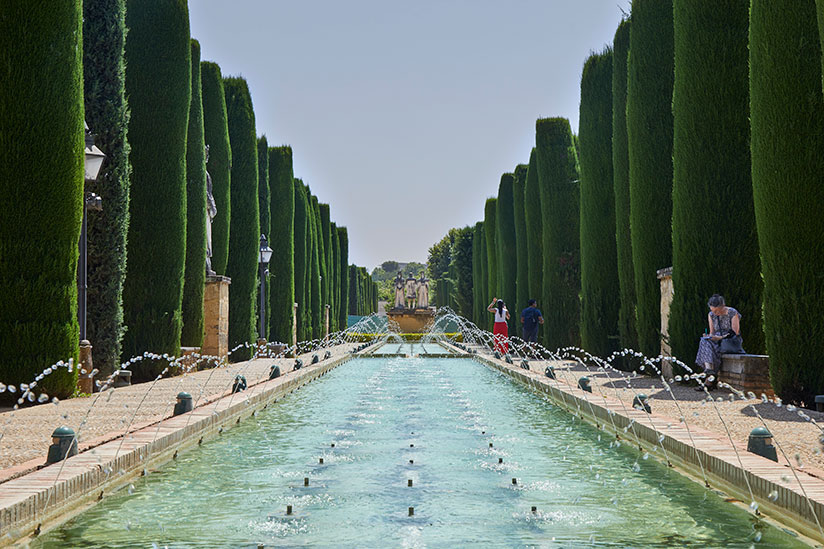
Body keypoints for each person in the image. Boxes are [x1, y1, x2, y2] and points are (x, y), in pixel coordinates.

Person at [695, 294, 742, 391]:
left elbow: (735, 332)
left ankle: (709, 381)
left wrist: (719, 337)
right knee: (704, 341)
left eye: (717, 311)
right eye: (712, 310)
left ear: (723, 306)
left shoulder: (732, 313)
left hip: (729, 340)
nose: (715, 313)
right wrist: (709, 336)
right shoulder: (711, 315)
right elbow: (712, 332)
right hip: (716, 341)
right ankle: (709, 370)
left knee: (710, 349)